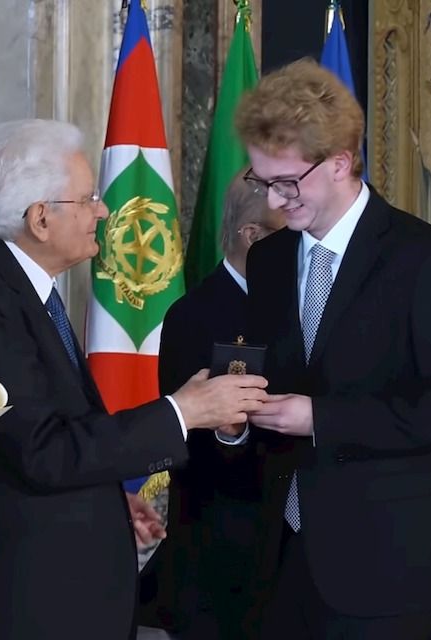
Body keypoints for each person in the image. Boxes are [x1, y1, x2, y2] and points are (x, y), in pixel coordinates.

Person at [0, 118, 268, 640]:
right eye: (87, 199)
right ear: (40, 218)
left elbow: (41, 437)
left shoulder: (17, 285)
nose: (104, 211)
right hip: (26, 610)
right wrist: (185, 411)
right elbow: (42, 450)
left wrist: (106, 499)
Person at [233, 58, 431, 640]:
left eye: (287, 183)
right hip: (281, 555)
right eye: (262, 182)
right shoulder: (270, 260)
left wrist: (322, 418)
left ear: (340, 164)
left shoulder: (425, 260)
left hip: (388, 563)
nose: (275, 203)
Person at [139, 172, 284, 638]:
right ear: (253, 235)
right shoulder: (191, 316)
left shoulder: (300, 301)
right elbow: (179, 434)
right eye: (290, 231)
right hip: (218, 542)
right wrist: (230, 428)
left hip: (293, 543)